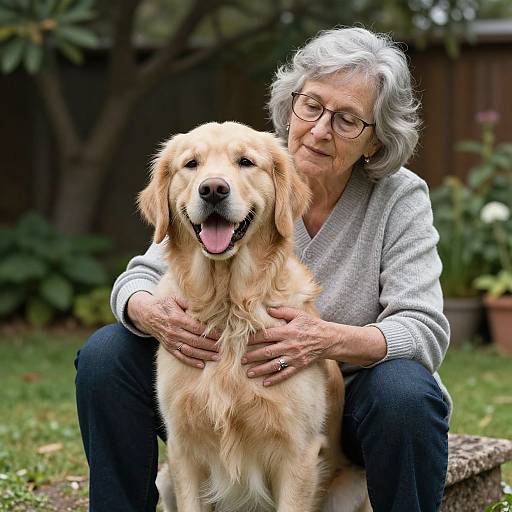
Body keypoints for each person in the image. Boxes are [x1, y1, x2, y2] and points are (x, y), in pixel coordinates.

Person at [75, 27, 451, 512]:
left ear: (376, 141)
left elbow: (422, 327)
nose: (318, 129)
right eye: (311, 105)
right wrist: (153, 313)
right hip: (217, 375)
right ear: (290, 103)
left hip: (353, 407)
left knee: (406, 392)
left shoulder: (400, 198)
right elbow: (140, 276)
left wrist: (323, 339)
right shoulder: (244, 160)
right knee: (107, 353)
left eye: (347, 119)